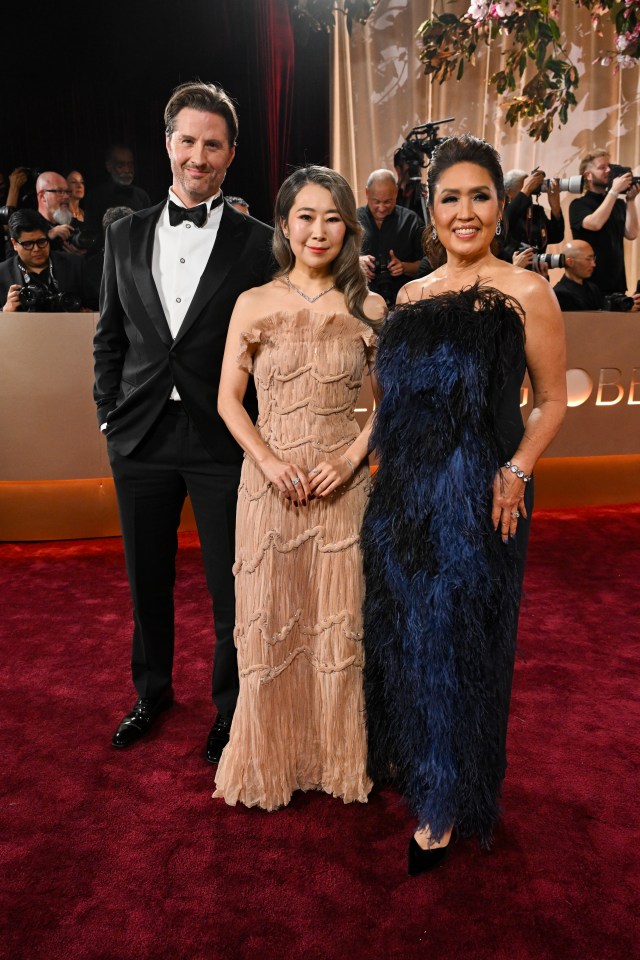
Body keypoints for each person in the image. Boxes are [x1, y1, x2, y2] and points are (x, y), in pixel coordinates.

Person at [361, 134, 567, 875]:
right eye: (450, 197)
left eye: (480, 195)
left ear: (500, 206)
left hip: (482, 498)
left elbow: (551, 401)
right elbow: (390, 401)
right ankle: (416, 764)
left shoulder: (527, 292)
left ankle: (448, 799)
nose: (465, 211)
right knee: (406, 635)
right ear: (430, 208)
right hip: (402, 495)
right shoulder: (409, 297)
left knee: (462, 645)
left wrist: (517, 468)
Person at [93, 81, 274, 761]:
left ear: (231, 155)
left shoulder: (261, 243)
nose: (199, 156)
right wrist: (108, 417)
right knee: (147, 580)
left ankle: (231, 709)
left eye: (213, 145)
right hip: (139, 435)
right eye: (189, 141)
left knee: (232, 585)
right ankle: (152, 692)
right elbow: (109, 337)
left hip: (222, 436)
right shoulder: (123, 233)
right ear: (168, 142)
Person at [213, 165, 386, 810]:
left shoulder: (371, 307)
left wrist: (351, 459)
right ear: (284, 225)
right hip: (270, 489)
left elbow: (388, 405)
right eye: (306, 216)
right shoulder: (253, 302)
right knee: (271, 621)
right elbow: (228, 401)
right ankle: (270, 760)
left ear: (349, 227)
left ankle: (333, 758)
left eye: (333, 217)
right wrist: (268, 462)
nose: (319, 230)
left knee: (336, 623)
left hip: (342, 491)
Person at [569, 150, 639, 296]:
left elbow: (632, 234)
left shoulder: (618, 204)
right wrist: (614, 191)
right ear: (588, 175)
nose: (608, 171)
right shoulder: (578, 205)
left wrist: (630, 200)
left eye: (609, 166)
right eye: (602, 167)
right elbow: (595, 224)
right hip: (590, 284)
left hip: (617, 283)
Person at [358, 169, 424, 307]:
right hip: (360, 303)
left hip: (405, 303)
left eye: (388, 202)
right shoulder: (352, 221)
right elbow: (334, 261)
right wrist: (355, 263)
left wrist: (404, 267)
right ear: (367, 193)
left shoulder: (411, 221)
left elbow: (430, 264)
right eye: (376, 202)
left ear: (396, 192)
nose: (382, 208)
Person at [0, 209, 88, 311]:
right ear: (14, 243)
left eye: (42, 241)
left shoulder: (75, 265)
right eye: (28, 244)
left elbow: (96, 306)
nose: (36, 249)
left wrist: (87, 312)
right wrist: (4, 312)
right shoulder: (2, 273)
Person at [501, 167, 564, 265]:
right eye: (525, 187)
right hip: (509, 270)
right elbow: (504, 224)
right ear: (508, 192)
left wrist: (555, 206)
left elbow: (556, 236)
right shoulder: (499, 212)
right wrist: (526, 190)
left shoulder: (536, 211)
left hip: (535, 271)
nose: (529, 193)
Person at [85, 145, 151, 229]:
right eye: (120, 166)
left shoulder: (142, 196)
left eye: (130, 165)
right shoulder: (96, 197)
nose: (127, 170)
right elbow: (91, 230)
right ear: (109, 166)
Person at [553, 241, 604, 311]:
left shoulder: (593, 288)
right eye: (588, 259)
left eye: (593, 259)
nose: (593, 264)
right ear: (570, 262)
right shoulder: (560, 293)